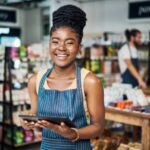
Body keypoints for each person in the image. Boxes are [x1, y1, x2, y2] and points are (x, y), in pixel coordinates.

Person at [21, 5, 104, 150]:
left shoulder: (90, 82)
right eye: (55, 41)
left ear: (79, 48)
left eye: (70, 42)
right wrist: (29, 123)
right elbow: (38, 125)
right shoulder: (35, 81)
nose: (61, 47)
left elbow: (98, 127)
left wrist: (72, 133)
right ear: (49, 44)